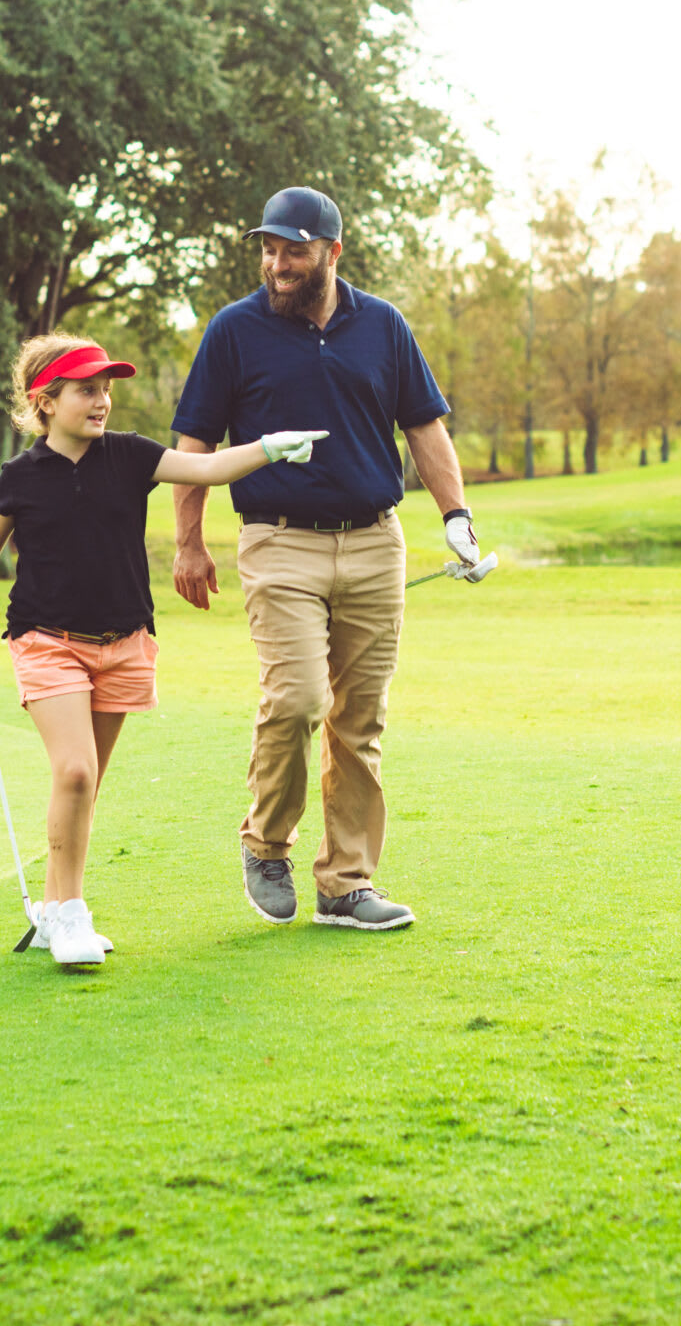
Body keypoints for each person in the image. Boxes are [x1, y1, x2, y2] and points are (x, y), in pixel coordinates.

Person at [0, 333, 327, 967]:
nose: (102, 401)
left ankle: (52, 910)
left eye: (106, 390)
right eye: (86, 391)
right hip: (46, 640)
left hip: (123, 643)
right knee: (75, 772)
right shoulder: (20, 477)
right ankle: (72, 916)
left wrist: (268, 447)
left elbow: (206, 469)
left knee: (85, 784)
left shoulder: (129, 456)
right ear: (45, 401)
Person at [169, 186, 482, 931]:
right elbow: (194, 443)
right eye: (270, 250)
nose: (278, 264)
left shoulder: (383, 325)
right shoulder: (234, 330)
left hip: (375, 540)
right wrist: (188, 541)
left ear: (332, 252)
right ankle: (266, 843)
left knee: (360, 719)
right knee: (299, 700)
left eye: (294, 251)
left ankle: (345, 883)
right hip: (278, 540)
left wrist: (457, 517)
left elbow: (425, 427)